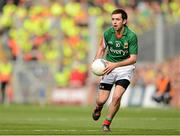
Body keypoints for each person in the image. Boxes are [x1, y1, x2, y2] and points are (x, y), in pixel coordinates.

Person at [91, 8, 138, 132]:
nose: (114, 22)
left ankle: (106, 123)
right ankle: (98, 107)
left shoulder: (131, 36)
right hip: (108, 68)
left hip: (125, 69)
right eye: (113, 19)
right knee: (101, 100)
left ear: (124, 21)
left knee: (116, 97)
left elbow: (133, 59)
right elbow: (101, 48)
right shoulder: (107, 33)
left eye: (117, 19)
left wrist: (115, 65)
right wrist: (96, 63)